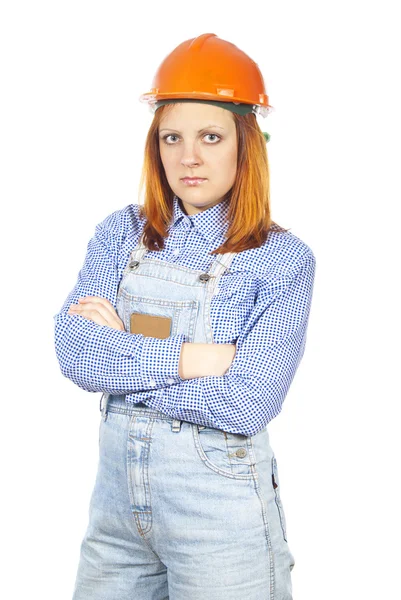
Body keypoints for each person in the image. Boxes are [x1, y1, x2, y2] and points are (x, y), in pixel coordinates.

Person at [53, 33, 316, 600]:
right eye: (172, 137)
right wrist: (197, 359)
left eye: (210, 137)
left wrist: (121, 358)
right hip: (118, 519)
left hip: (223, 525)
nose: (188, 156)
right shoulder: (120, 232)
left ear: (247, 144)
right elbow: (75, 353)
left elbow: (248, 402)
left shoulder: (281, 260)